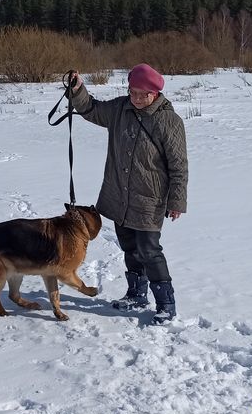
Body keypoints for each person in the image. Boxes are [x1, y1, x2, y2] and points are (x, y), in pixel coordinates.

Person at [68, 64, 188, 324]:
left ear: (155, 93)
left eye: (143, 94)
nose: (136, 98)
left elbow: (178, 165)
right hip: (118, 195)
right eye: (132, 92)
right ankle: (136, 294)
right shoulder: (120, 109)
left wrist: (177, 200)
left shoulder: (169, 121)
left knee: (149, 251)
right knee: (129, 248)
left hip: (149, 199)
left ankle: (166, 303)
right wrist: (77, 90)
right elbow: (91, 109)